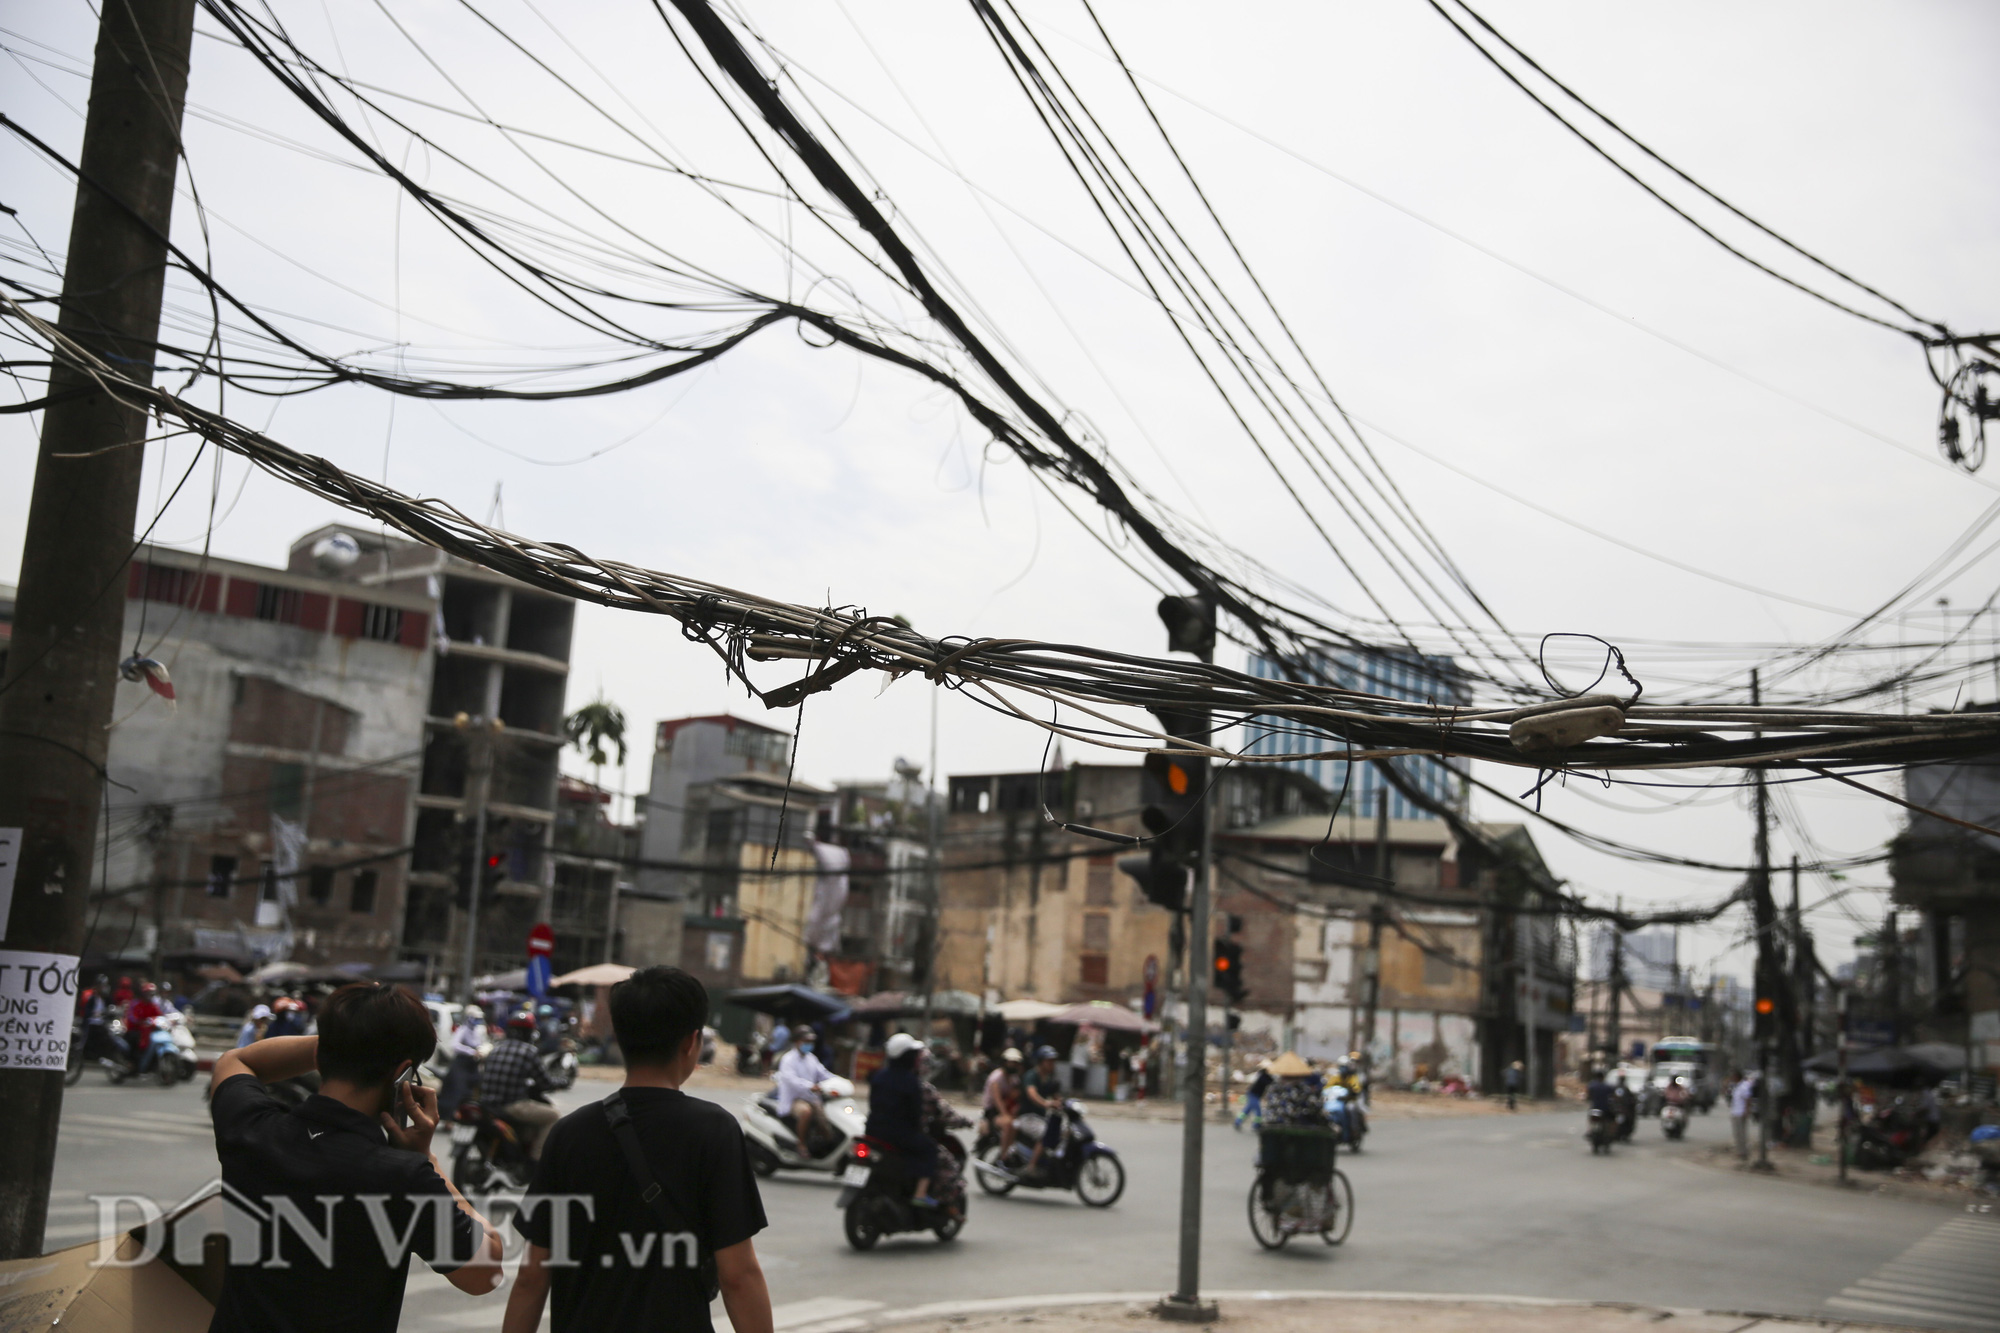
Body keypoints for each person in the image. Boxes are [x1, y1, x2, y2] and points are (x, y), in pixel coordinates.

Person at [206, 982, 503, 1331]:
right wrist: (427, 1160)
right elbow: (486, 1273)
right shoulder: (403, 1177)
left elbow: (235, 1059)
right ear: (402, 1075)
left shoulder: (252, 1130)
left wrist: (340, 1039)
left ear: (320, 1055)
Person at [505, 965, 773, 1333]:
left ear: (620, 1036)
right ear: (690, 1043)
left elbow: (532, 1278)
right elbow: (739, 1276)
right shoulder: (714, 1131)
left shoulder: (569, 1134)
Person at [864, 1032, 939, 1208]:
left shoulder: (879, 1076)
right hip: (898, 1134)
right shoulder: (910, 1082)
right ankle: (920, 1194)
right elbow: (915, 1113)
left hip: (873, 1131)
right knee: (929, 1149)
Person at [480, 1012, 559, 1161]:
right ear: (530, 1032)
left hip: (487, 1105)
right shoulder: (529, 1051)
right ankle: (537, 1159)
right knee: (553, 1116)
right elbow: (544, 1082)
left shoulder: (495, 1048)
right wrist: (556, 1083)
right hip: (512, 1105)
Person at [920, 1049, 975, 1219]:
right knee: (947, 1164)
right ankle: (923, 1195)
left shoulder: (883, 1079)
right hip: (908, 1137)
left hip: (879, 1134)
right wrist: (964, 1121)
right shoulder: (919, 1088)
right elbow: (944, 1112)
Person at [774, 1025, 834, 1154]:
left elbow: (823, 1073)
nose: (809, 1044)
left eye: (810, 1042)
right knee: (806, 1112)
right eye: (805, 1041)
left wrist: (838, 1081)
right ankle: (801, 1144)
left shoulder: (811, 1059)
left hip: (811, 1098)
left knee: (825, 1119)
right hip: (794, 1100)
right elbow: (792, 1080)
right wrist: (810, 1086)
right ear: (797, 1041)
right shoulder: (788, 1059)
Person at [1023, 1046, 1067, 1177]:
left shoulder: (1049, 1079)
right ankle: (1031, 1166)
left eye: (1053, 1061)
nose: (1052, 1064)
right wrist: (1047, 1103)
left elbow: (1057, 1097)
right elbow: (1032, 1094)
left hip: (1041, 1117)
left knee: (1065, 1131)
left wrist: (1065, 1104)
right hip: (1027, 1116)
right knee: (1045, 1133)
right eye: (1049, 1061)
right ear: (1041, 1061)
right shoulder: (1031, 1075)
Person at [438, 1005, 484, 1118]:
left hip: (471, 1066)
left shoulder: (477, 1032)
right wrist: (471, 1052)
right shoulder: (462, 1030)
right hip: (460, 1065)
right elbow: (454, 1045)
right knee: (456, 1091)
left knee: (471, 1091)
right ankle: (449, 1117)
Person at [982, 1047, 1023, 1157]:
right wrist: (1005, 1115)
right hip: (993, 1111)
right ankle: (1003, 1155)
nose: (1013, 1065)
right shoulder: (996, 1078)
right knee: (1008, 1124)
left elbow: (1015, 1096)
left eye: (1016, 1063)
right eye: (1011, 1062)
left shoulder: (1014, 1078)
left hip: (1007, 1108)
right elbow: (997, 1101)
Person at [127, 982, 164, 1074]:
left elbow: (159, 1016)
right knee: (135, 1041)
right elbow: (132, 1017)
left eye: (151, 994)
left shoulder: (153, 1005)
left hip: (149, 1030)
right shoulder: (136, 1004)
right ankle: (132, 1063)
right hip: (135, 1030)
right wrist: (140, 1021)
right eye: (148, 993)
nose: (150, 996)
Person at [1236, 1060, 1273, 1131]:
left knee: (1247, 1110)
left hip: (1254, 1094)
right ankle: (1256, 1125)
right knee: (1258, 1111)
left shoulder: (1262, 1074)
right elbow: (1270, 1082)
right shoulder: (1263, 1076)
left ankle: (1237, 1122)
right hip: (1253, 1095)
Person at [1729, 1070, 1756, 1160]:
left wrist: (1747, 1111)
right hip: (1735, 1112)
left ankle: (1743, 1153)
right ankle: (1739, 1151)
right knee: (1737, 1134)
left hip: (1740, 1113)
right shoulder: (1737, 1086)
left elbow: (1748, 1099)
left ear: (1737, 1077)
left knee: (1742, 1134)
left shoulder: (1744, 1086)